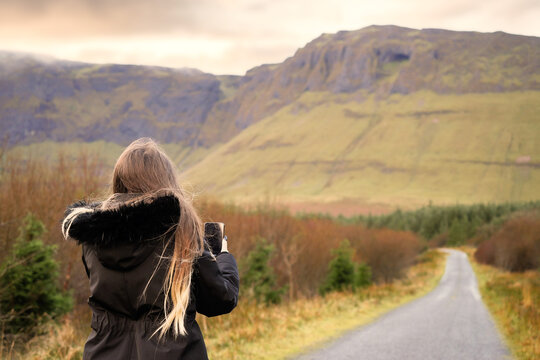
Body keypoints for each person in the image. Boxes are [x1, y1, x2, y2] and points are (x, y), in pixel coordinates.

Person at [61, 138, 239, 360]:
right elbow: (219, 300)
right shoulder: (181, 231)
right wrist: (223, 257)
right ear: (166, 180)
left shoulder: (93, 236)